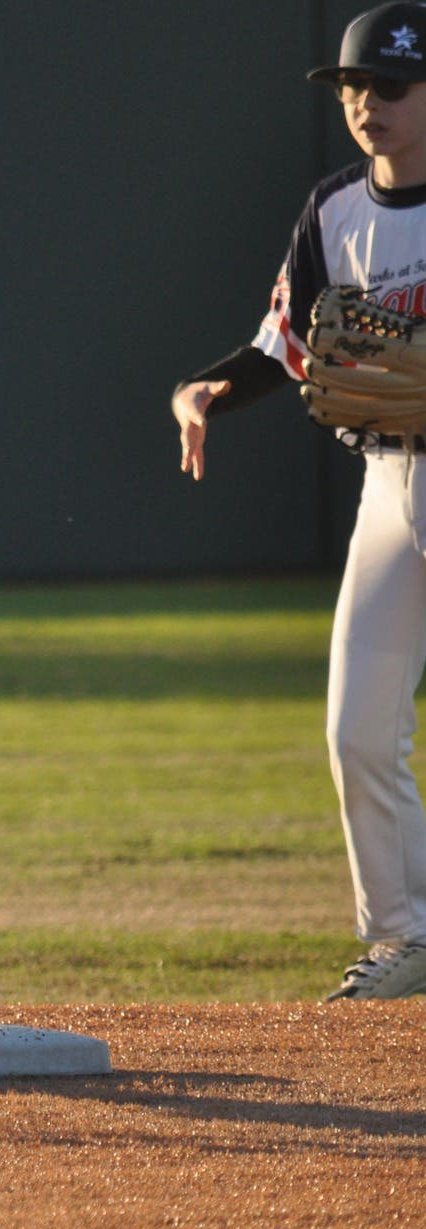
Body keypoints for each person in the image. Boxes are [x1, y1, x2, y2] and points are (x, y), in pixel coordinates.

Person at [172, 2, 426, 1001]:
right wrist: (203, 391)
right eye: (352, 87)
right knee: (356, 725)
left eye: (390, 86)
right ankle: (403, 938)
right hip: (389, 478)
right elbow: (282, 348)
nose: (366, 104)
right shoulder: (332, 212)